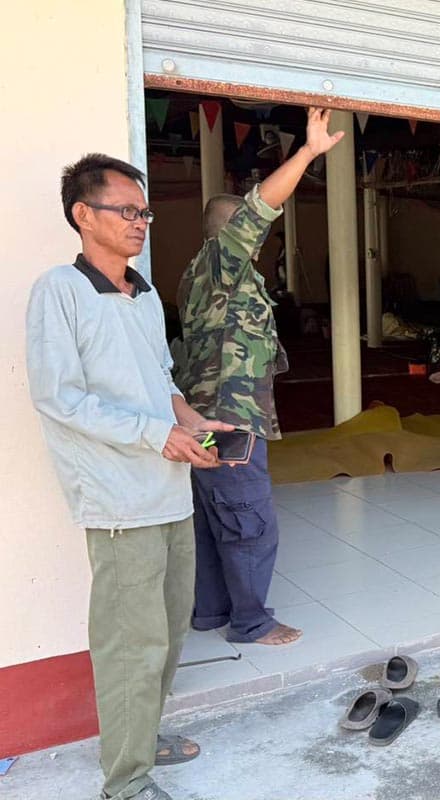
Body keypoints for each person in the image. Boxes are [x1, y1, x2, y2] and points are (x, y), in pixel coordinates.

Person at [27, 154, 232, 800]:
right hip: (118, 504)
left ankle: (137, 739)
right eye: (127, 210)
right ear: (83, 215)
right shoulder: (59, 292)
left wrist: (193, 421)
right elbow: (60, 398)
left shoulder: (143, 297)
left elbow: (162, 384)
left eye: (144, 211)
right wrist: (155, 436)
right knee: (130, 646)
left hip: (168, 491)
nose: (141, 222)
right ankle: (126, 781)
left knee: (169, 636)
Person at [176, 107, 345, 647]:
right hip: (231, 421)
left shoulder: (204, 278)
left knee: (209, 513)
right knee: (248, 520)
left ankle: (211, 612)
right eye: (254, 233)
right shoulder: (222, 261)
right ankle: (251, 622)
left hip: (206, 417)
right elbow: (260, 207)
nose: (264, 240)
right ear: (234, 234)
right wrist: (307, 153)